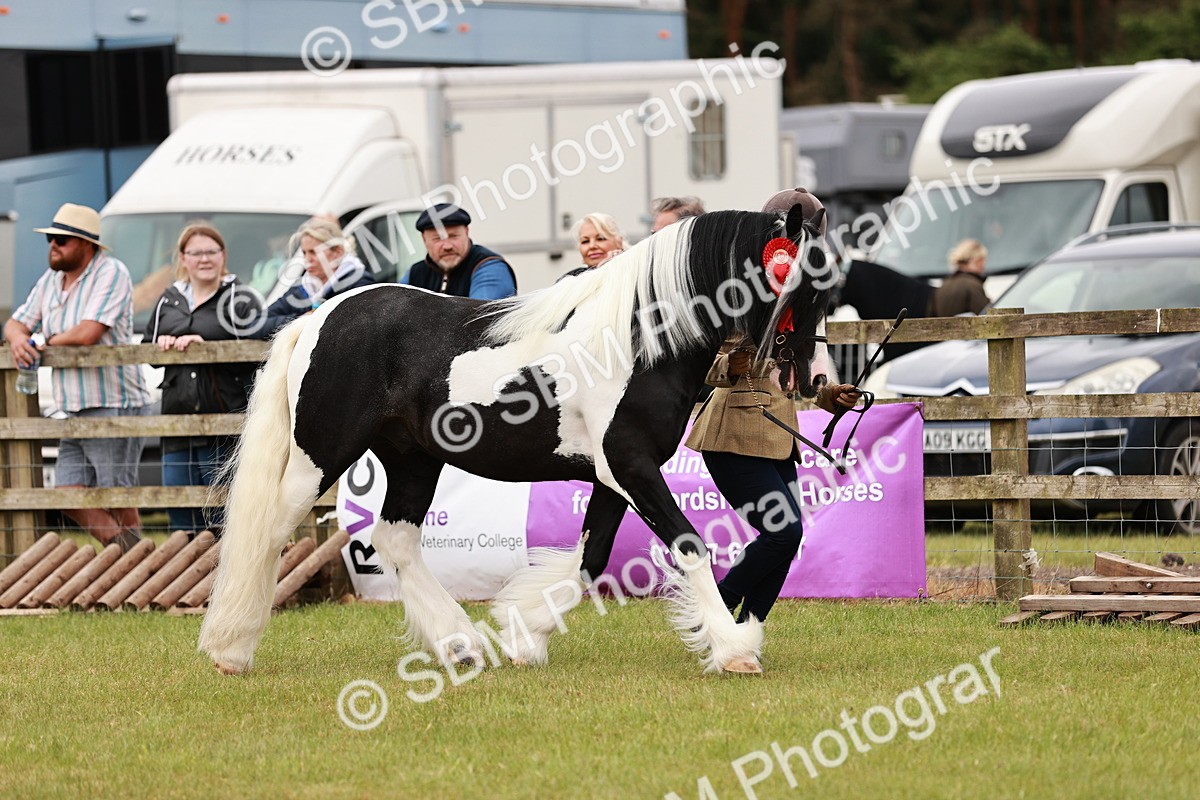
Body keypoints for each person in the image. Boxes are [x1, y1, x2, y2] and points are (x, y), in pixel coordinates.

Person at [685, 189, 859, 665]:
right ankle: (717, 614)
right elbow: (711, 370)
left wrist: (830, 394)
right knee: (782, 534)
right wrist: (738, 358)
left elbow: (806, 380)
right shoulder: (738, 287)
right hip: (731, 433)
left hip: (779, 435)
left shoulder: (803, 296)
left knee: (788, 537)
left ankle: (747, 632)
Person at [3, 203, 151, 552]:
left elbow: (87, 333)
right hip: (72, 406)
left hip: (113, 401)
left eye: (62, 239)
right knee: (68, 492)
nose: (53, 245)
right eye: (51, 239)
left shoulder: (111, 272)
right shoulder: (50, 280)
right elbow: (15, 322)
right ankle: (132, 554)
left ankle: (134, 563)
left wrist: (39, 341)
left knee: (116, 494)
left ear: (87, 244)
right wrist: (19, 338)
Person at [150, 224, 266, 534]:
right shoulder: (168, 300)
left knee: (224, 515)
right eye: (196, 253)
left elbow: (260, 348)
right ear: (183, 258)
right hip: (175, 423)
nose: (205, 259)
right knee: (180, 515)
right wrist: (164, 347)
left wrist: (209, 348)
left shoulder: (241, 298)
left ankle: (226, 581)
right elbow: (147, 352)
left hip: (224, 422)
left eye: (211, 251)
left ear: (223, 255)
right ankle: (187, 581)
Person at [261, 217, 375, 335]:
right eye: (304, 253)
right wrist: (299, 320)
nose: (307, 260)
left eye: (314, 252)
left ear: (338, 252)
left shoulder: (360, 285)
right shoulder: (303, 287)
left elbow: (359, 331)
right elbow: (257, 323)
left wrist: (311, 321)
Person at [400, 203, 517, 299]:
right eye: (437, 239)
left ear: (466, 232)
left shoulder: (489, 266)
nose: (447, 246)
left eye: (453, 236)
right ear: (424, 240)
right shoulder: (414, 273)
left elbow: (475, 319)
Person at [928, 238, 989, 316]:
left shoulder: (942, 287)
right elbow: (985, 317)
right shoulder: (973, 286)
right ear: (975, 260)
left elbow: (931, 317)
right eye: (982, 260)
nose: (984, 265)